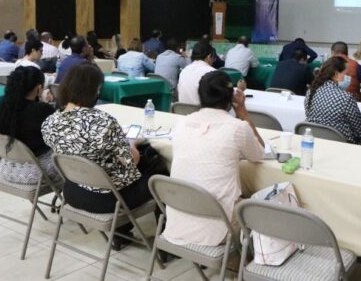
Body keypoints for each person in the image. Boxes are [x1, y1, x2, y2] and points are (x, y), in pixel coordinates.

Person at [42, 64, 167, 249]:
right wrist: (131, 143)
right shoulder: (103, 121)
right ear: (94, 90)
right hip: (107, 200)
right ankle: (166, 242)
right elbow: (132, 160)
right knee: (159, 173)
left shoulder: (49, 122)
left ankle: (122, 235)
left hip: (72, 192)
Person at [163, 71, 265, 246]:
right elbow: (259, 154)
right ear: (231, 97)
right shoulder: (237, 128)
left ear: (199, 96)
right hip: (218, 228)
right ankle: (243, 259)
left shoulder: (181, 123)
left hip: (177, 222)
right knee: (262, 208)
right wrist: (242, 111)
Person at [0, 66, 59, 185]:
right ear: (39, 88)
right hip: (35, 173)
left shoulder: (4, 107)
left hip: (6, 169)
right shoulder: (43, 110)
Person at [304, 56, 361, 145]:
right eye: (346, 74)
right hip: (342, 145)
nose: (348, 78)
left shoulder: (310, 92)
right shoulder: (346, 98)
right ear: (336, 75)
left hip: (316, 142)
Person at [177, 41, 216, 105]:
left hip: (182, 110)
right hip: (203, 110)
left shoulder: (184, 71)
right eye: (213, 58)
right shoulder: (213, 72)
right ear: (209, 57)